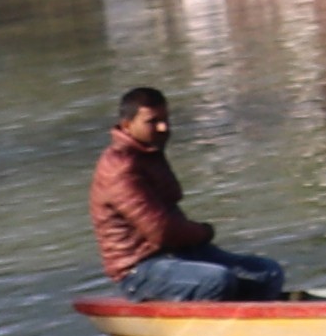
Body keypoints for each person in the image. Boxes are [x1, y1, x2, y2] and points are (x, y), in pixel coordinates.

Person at [88, 87, 292, 303]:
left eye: (166, 119)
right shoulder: (119, 169)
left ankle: (256, 326)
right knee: (216, 280)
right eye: (153, 121)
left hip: (177, 254)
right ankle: (211, 333)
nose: (163, 127)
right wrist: (204, 232)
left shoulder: (148, 153)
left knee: (267, 273)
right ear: (128, 125)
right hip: (139, 270)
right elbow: (162, 232)